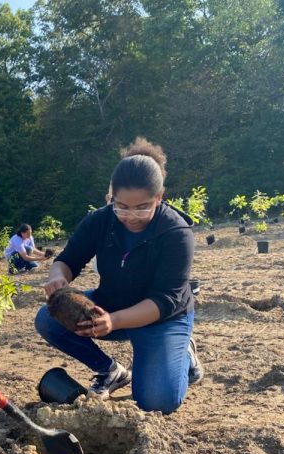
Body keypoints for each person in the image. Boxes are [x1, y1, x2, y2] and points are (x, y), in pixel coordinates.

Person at [34, 137, 202, 414]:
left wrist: (114, 320)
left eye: (143, 207)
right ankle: (110, 371)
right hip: (112, 305)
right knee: (48, 317)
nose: (130, 216)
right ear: (112, 196)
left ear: (160, 198)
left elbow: (164, 301)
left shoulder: (176, 233)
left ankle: (182, 353)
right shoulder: (100, 221)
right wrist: (58, 277)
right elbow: (68, 259)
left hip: (162, 318)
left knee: (157, 402)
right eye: (121, 206)